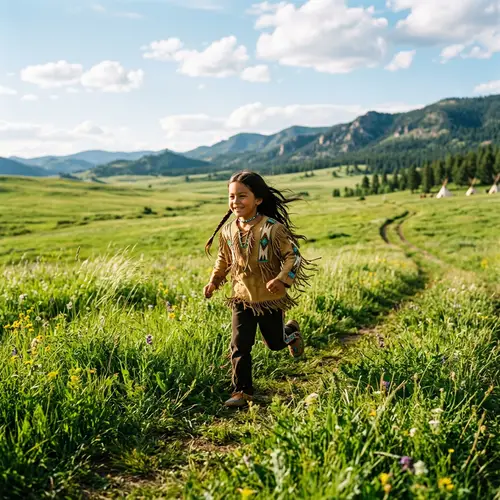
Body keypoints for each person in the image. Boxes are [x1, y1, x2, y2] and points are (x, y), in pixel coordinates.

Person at [203, 171, 315, 408]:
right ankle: (242, 392)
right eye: (232, 196)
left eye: (242, 196)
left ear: (259, 199)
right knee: (239, 344)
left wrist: (282, 279)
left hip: (269, 298)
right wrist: (214, 281)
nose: (236, 202)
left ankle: (291, 333)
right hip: (241, 297)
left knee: (274, 343)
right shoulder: (229, 230)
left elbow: (292, 257)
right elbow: (223, 259)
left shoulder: (273, 228)